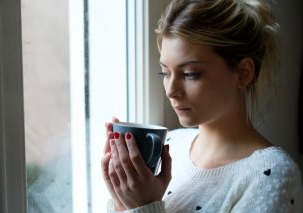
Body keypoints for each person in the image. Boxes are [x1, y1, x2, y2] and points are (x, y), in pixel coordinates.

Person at [101, 0, 303, 212]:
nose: (171, 90)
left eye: (190, 74)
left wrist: (143, 207)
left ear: (243, 73)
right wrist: (122, 200)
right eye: (165, 73)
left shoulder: (271, 175)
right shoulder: (171, 145)